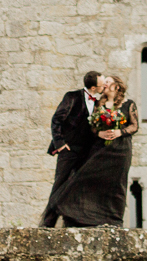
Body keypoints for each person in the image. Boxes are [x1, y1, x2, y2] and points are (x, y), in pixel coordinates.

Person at [42, 74, 138, 227]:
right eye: (103, 82)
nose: (104, 85)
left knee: (116, 185)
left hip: (121, 150)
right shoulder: (99, 104)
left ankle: (114, 220)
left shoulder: (129, 104)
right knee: (82, 180)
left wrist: (120, 132)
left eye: (107, 82)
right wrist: (99, 133)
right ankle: (74, 217)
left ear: (116, 86)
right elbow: (91, 126)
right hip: (101, 150)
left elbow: (134, 125)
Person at [40, 71, 103, 227]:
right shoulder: (72, 97)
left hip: (87, 153)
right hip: (69, 150)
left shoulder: (98, 103)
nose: (104, 87)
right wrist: (60, 144)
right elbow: (57, 120)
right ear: (94, 87)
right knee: (60, 185)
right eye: (102, 84)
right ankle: (47, 224)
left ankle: (71, 222)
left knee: (78, 187)